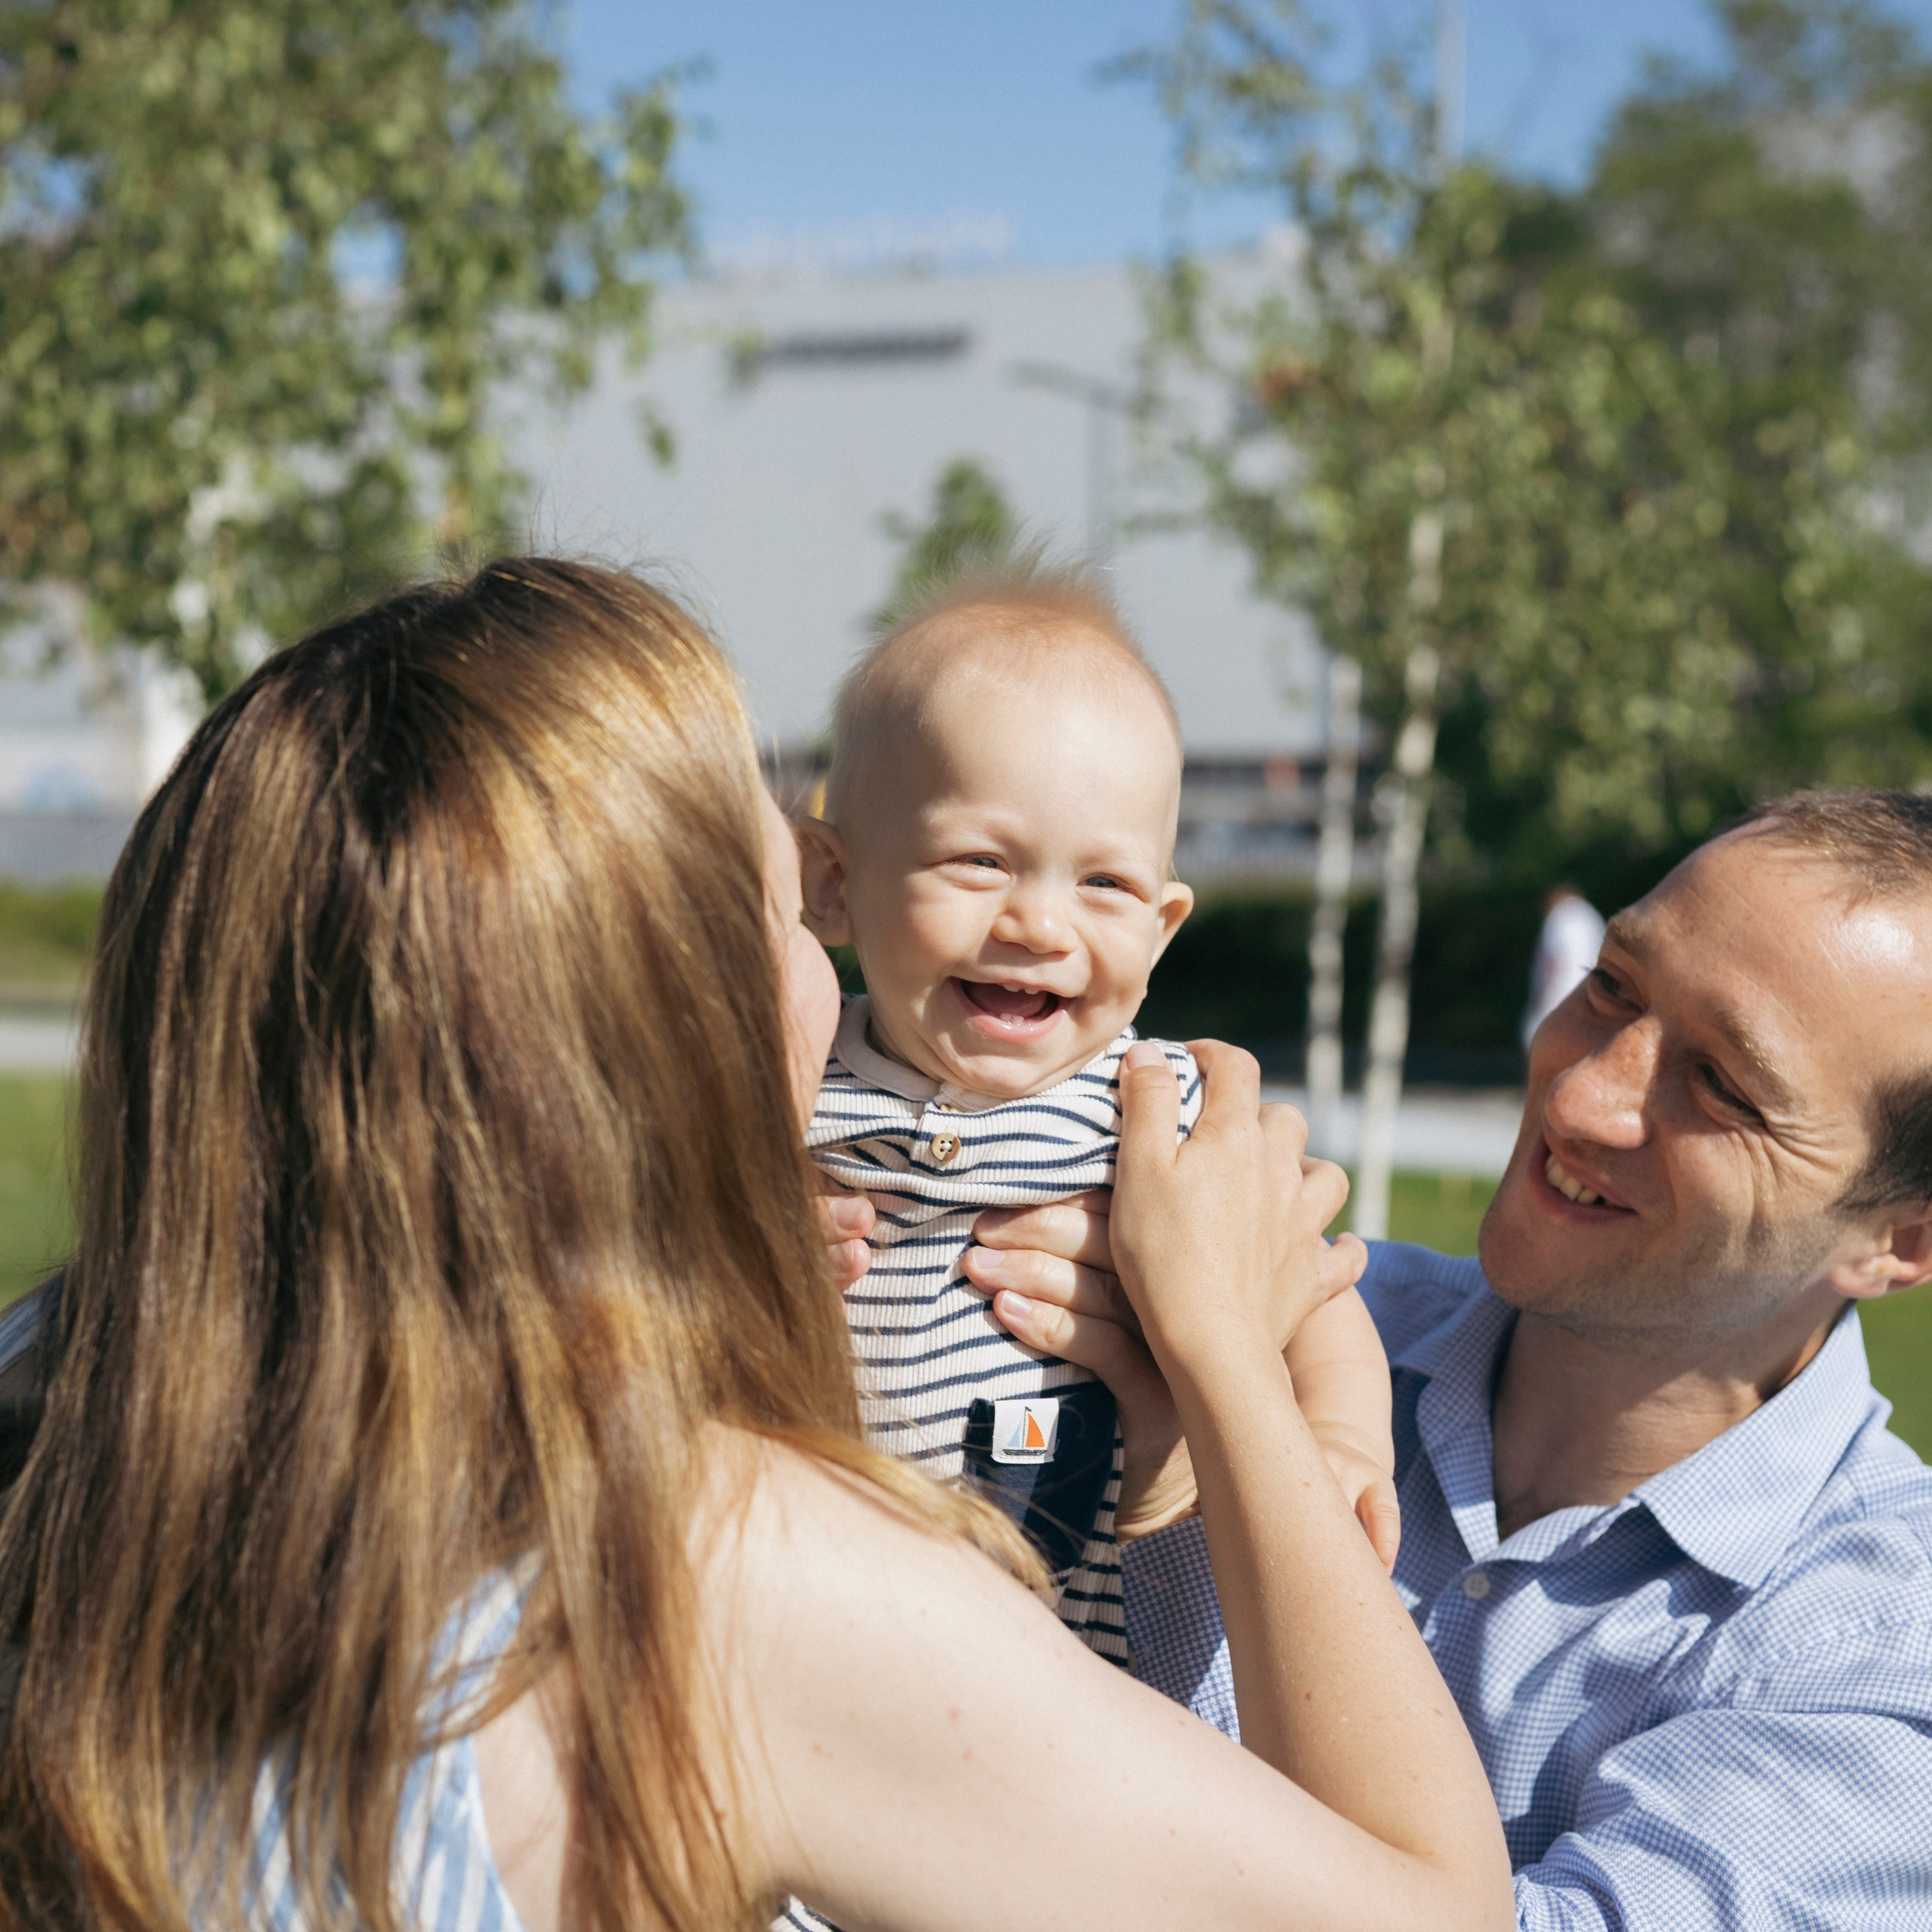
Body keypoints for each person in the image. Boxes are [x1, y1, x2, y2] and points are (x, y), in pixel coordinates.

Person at [0, 559, 1513, 1932]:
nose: (823, 965)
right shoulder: (702, 1566)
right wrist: (1228, 1359)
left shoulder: (54, 1383)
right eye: (787, 910)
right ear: (671, 1019)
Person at [975, 788, 1932, 1930]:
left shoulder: (1881, 1658)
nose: (1580, 1094)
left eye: (1724, 1085)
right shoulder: (1301, 1305)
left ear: (1901, 1241)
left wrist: (1221, 1407)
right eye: (1612, 986)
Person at [794, 561, 1397, 1668]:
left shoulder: (1159, 1113)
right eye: (979, 862)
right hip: (816, 1624)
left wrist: (1344, 1441)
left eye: (1105, 886)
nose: (1037, 923)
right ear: (833, 883)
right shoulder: (795, 1079)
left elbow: (1308, 1294)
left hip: (1071, 1661)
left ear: (1165, 927)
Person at [1520, 884, 1605, 1050]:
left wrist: (1540, 1000)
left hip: (1557, 996)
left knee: (1539, 1047)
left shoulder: (1559, 917)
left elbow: (1553, 961)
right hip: (1589, 997)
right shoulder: (1590, 915)